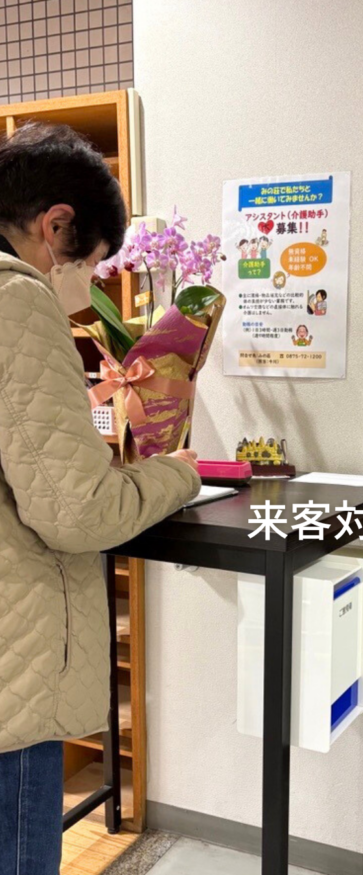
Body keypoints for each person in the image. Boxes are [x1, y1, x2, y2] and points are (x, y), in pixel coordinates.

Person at [0, 123, 202, 874]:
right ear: (55, 226)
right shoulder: (18, 302)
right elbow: (77, 510)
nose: (87, 286)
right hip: (13, 669)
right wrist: (179, 472)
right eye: (89, 263)